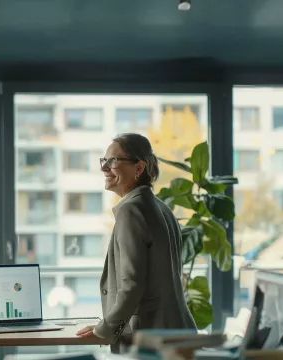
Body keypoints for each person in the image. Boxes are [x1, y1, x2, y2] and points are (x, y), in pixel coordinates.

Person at [76, 133, 196, 352]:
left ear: (139, 168)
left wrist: (105, 328)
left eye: (112, 161)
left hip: (150, 337)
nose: (104, 168)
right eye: (104, 161)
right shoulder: (161, 207)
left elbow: (131, 285)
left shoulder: (132, 210)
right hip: (175, 331)